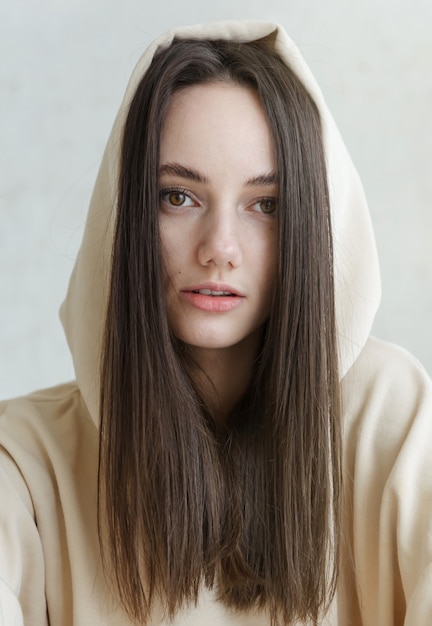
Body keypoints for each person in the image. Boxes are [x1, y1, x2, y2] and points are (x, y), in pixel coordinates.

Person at [0, 20, 431, 626]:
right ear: (124, 217)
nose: (220, 248)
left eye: (266, 205)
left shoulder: (392, 422)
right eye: (178, 196)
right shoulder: (23, 463)